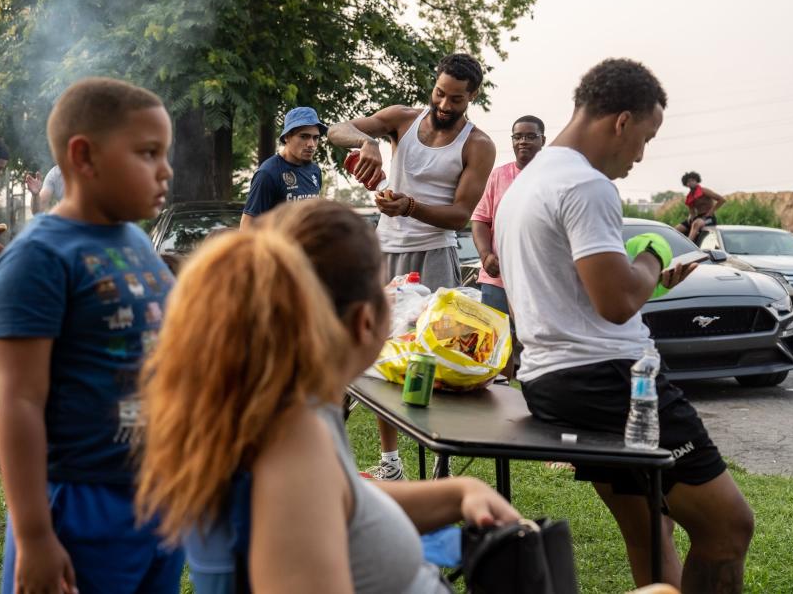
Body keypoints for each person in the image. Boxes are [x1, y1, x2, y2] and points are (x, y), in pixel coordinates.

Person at [136, 199, 520, 594]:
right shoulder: (292, 441)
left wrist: (459, 493)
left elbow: (339, 497)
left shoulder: (281, 406)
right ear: (366, 321)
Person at [495, 58, 754, 592]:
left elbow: (555, 299)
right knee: (728, 527)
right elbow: (616, 303)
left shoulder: (524, 185)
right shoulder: (585, 185)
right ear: (621, 121)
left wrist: (636, 274)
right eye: (646, 137)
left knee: (649, 531)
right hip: (611, 380)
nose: (641, 154)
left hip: (551, 380)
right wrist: (654, 256)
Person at [0, 78, 183, 593]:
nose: (166, 170)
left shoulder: (138, 243)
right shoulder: (39, 259)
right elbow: (19, 402)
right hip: (78, 507)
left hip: (157, 498)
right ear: (84, 157)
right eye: (148, 153)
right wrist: (34, 536)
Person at [328, 53, 496, 481]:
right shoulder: (401, 118)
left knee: (436, 357)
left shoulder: (478, 145)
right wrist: (366, 142)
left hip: (436, 255)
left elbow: (460, 215)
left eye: (455, 99)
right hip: (384, 252)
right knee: (383, 354)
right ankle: (390, 463)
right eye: (440, 92)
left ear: (471, 97)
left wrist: (410, 206)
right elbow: (337, 130)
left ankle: (441, 458)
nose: (444, 104)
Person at [471, 114, 545, 314]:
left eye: (530, 136)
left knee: (533, 343)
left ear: (542, 140)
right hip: (497, 279)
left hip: (540, 281)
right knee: (497, 340)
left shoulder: (552, 177)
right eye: (518, 136)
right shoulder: (498, 175)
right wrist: (486, 256)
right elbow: (480, 220)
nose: (523, 141)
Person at [239, 107, 331, 230]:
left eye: (316, 138)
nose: (311, 144)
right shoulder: (268, 173)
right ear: (287, 137)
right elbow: (247, 227)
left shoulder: (315, 171)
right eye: (304, 136)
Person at [675, 171, 725, 241]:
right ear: (686, 184)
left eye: (693, 180)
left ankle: (689, 244)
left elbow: (722, 200)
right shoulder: (689, 196)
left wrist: (711, 212)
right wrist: (690, 219)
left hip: (708, 217)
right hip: (698, 217)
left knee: (696, 224)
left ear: (697, 181)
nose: (691, 182)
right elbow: (692, 212)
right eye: (688, 181)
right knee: (676, 229)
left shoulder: (704, 191)